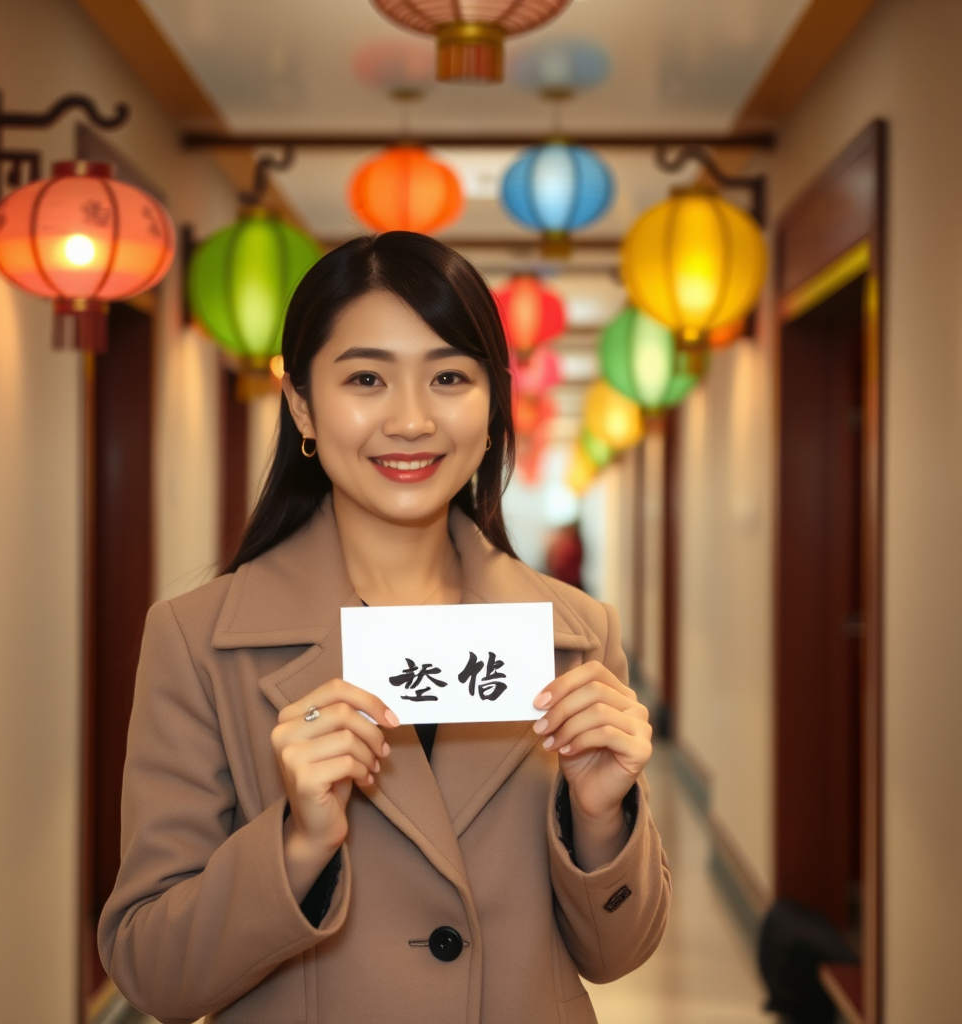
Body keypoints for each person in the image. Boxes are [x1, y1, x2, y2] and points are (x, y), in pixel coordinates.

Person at [99, 232, 670, 1024]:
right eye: (366, 377)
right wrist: (296, 844)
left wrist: (602, 817)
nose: (410, 420)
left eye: (448, 377)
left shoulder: (574, 634)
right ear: (301, 402)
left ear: (492, 401)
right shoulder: (198, 643)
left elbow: (619, 953)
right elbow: (153, 971)